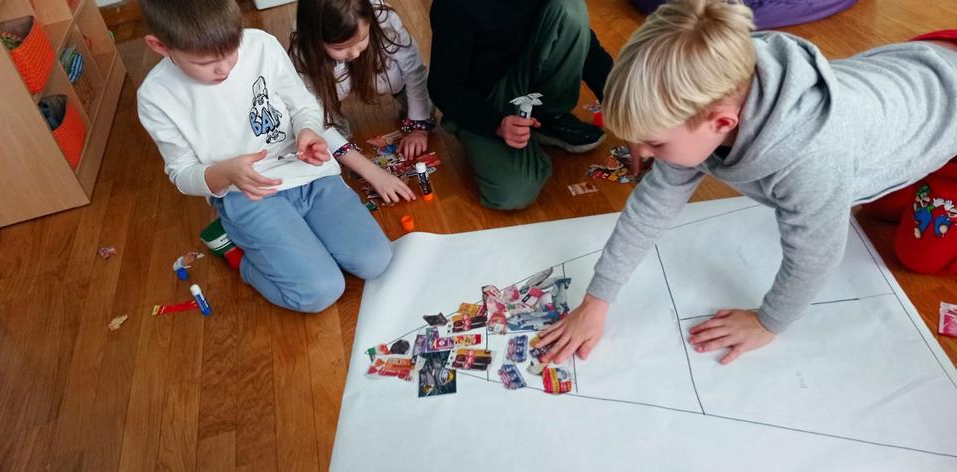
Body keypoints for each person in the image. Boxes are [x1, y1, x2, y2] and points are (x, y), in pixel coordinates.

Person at [537, 0, 957, 364]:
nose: (642, 154)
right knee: (879, 213)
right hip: (917, 70)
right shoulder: (713, 88)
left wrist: (767, 322)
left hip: (946, 111)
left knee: (916, 255)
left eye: (654, 143)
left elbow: (815, 257)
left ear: (722, 123)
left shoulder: (811, 159)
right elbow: (652, 206)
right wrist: (597, 300)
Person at [136, 0, 415, 312]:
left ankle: (295, 246)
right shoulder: (155, 96)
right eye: (205, 62)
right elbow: (181, 173)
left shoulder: (261, 45)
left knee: (375, 261)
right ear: (160, 46)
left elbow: (304, 105)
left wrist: (307, 130)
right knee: (320, 292)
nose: (224, 68)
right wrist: (226, 173)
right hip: (247, 195)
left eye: (232, 51)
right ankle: (239, 257)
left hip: (309, 174)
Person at [428, 0, 614, 210]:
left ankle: (549, 117)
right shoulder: (453, 6)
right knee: (513, 192)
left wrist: (624, 105)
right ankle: (525, 134)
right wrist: (495, 124)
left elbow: (581, 39)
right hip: (483, 99)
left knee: (571, 7)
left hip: (526, 72)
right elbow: (444, 88)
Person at [290, 0, 435, 159]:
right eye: (340, 47)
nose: (354, 53)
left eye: (362, 38)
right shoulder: (303, 47)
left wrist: (419, 126)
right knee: (324, 139)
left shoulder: (384, 18)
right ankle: (334, 121)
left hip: (383, 72)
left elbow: (413, 69)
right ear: (315, 40)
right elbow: (310, 103)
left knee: (425, 109)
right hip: (329, 89)